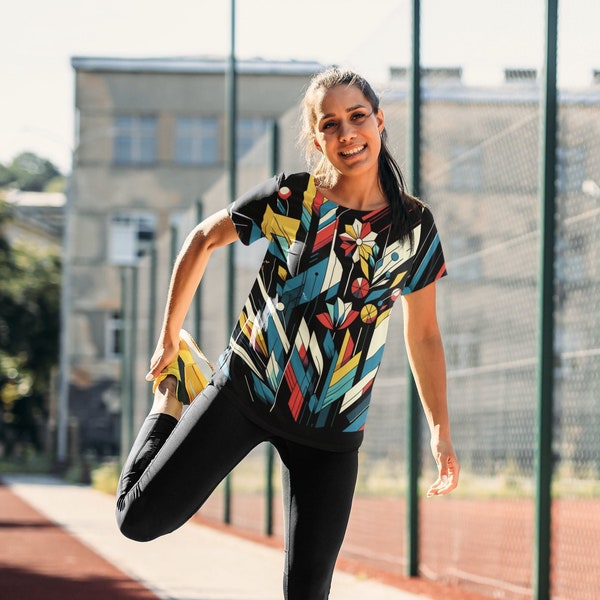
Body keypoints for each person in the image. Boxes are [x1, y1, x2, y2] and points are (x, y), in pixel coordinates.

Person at [116, 66, 460, 600]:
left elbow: (426, 336)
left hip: (333, 424)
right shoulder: (294, 200)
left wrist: (439, 428)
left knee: (308, 589)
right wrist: (169, 338)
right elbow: (203, 239)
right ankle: (174, 395)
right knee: (138, 519)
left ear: (379, 121)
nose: (346, 133)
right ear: (316, 137)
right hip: (248, 390)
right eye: (330, 124)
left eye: (357, 117)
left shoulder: (413, 227)